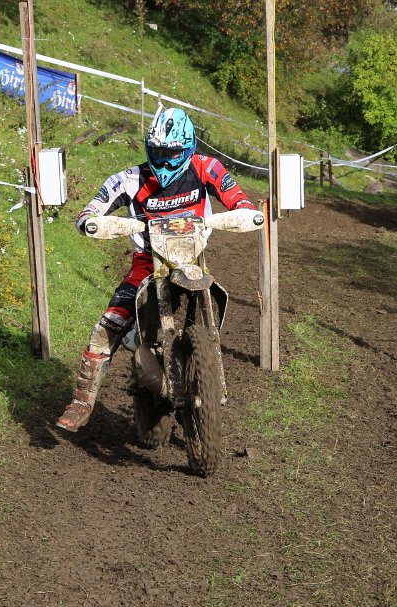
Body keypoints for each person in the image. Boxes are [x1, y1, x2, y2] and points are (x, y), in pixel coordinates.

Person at [55, 107, 257, 432]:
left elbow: (239, 200)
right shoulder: (129, 179)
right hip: (147, 262)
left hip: (193, 258)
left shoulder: (207, 168)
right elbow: (92, 209)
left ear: (188, 148)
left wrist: (247, 212)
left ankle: (207, 374)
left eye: (172, 153)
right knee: (108, 326)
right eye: (158, 152)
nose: (164, 160)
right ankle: (81, 401)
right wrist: (89, 221)